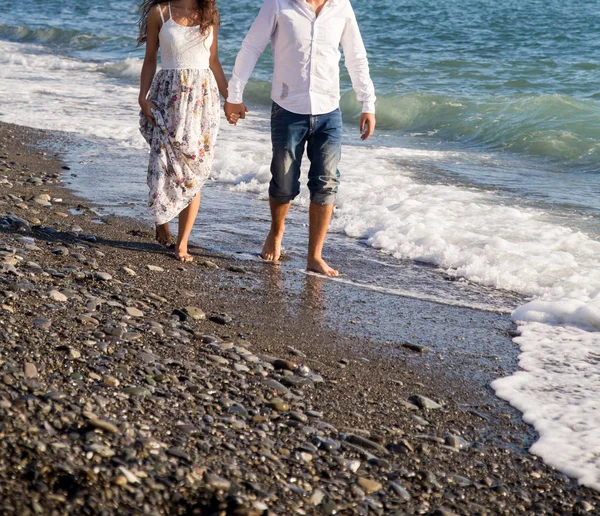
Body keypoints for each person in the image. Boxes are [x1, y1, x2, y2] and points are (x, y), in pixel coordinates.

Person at [225, 0, 376, 276]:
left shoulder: (341, 6)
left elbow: (356, 56)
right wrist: (234, 96)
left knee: (326, 182)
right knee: (283, 181)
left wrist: (367, 103)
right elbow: (251, 47)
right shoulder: (279, 3)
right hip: (287, 108)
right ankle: (276, 231)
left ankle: (314, 256)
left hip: (329, 110)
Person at [138, 0, 228, 262]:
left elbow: (213, 60)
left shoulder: (210, 13)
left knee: (195, 168)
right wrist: (142, 98)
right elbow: (150, 58)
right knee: (162, 162)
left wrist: (230, 97)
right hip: (168, 94)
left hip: (202, 100)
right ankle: (161, 217)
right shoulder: (160, 12)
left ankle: (182, 243)